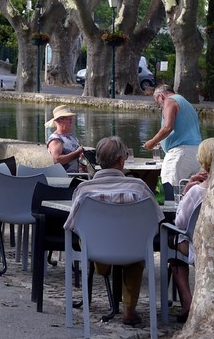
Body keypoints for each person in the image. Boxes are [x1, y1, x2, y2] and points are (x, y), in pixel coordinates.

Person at [66, 136, 155, 327]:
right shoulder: (138, 188)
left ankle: (102, 266)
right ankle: (129, 309)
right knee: (137, 252)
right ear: (121, 161)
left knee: (86, 235)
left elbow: (71, 225)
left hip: (96, 249)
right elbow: (155, 219)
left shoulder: (84, 190)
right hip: (130, 250)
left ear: (98, 160)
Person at [167, 137, 214, 321]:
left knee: (173, 246)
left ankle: (187, 302)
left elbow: (180, 223)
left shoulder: (196, 191)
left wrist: (185, 192)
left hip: (198, 245)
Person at [142, 84, 203, 196]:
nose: (160, 106)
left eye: (158, 103)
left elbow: (167, 127)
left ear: (160, 96)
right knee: (186, 193)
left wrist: (152, 142)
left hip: (180, 155)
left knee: (169, 192)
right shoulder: (184, 102)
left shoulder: (169, 101)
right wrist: (163, 142)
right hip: (195, 153)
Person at [47, 104, 86, 172]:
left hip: (78, 174)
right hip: (66, 175)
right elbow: (57, 160)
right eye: (69, 119)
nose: (71, 121)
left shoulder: (71, 136)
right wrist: (76, 153)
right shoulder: (55, 139)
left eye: (71, 119)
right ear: (59, 121)